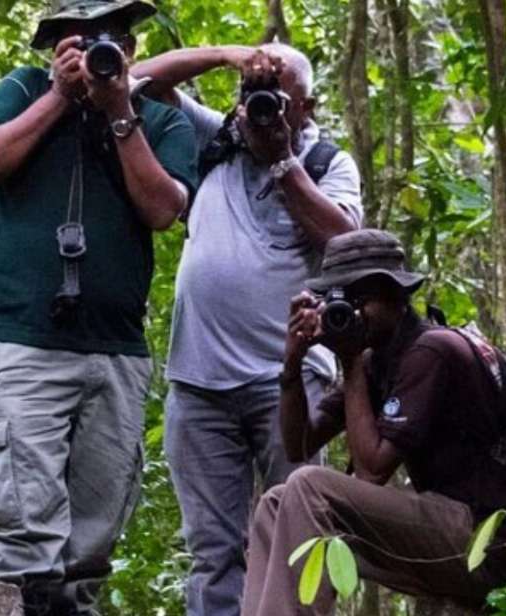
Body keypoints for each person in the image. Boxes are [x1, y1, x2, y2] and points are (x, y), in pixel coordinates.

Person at [0, 1, 199, 614]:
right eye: (80, 39)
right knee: (21, 536)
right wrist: (60, 98)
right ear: (53, 49)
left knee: (90, 547)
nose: (97, 50)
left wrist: (119, 110)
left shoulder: (159, 122)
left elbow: (163, 210)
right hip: (27, 340)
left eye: (112, 38)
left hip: (115, 351)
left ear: (132, 52)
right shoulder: (21, 89)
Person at [131, 46, 362, 616]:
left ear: (307, 106)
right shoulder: (216, 139)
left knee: (300, 542)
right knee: (213, 554)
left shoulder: (329, 161)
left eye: (277, 96)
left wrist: (283, 161)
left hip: (287, 383)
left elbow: (345, 245)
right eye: (254, 93)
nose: (262, 107)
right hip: (198, 383)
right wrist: (228, 57)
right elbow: (139, 81)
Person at [241, 229, 506, 615]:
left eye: (362, 298)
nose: (353, 312)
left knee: (310, 487)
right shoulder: (382, 360)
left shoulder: (431, 351)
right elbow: (299, 445)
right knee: (277, 502)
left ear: (397, 294)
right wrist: (292, 366)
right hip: (454, 533)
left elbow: (372, 471)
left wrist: (351, 361)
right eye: (340, 300)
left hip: (488, 541)